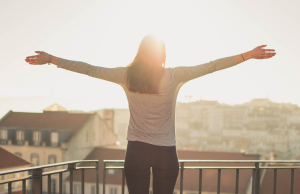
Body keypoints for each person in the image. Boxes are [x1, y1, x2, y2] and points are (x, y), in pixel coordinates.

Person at [25, 34, 276, 194]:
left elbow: (89, 69)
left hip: (136, 151)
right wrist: (248, 56)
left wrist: (51, 59)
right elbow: (211, 67)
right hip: (166, 153)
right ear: (163, 55)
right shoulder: (174, 75)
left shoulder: (125, 75)